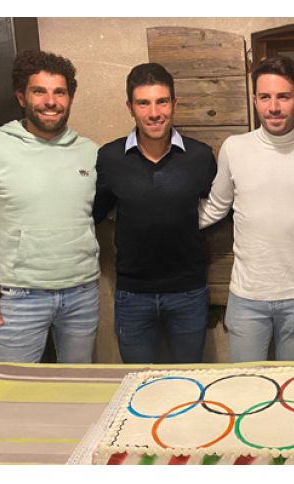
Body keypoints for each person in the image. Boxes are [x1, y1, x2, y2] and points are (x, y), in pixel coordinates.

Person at [0, 50, 100, 363]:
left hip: (82, 294)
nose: (51, 101)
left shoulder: (90, 152)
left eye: (59, 92)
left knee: (77, 384)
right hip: (21, 298)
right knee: (10, 386)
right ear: (21, 97)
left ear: (70, 98)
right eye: (39, 91)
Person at [199, 56, 294, 363]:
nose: (273, 107)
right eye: (265, 97)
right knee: (245, 383)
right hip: (247, 295)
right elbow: (215, 207)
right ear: (255, 99)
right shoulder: (235, 147)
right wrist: (162, 218)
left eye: (283, 97)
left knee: (292, 382)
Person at [93, 63, 216, 364]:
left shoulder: (200, 156)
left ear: (174, 104)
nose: (154, 113)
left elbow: (216, 208)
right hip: (133, 296)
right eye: (143, 103)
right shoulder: (110, 157)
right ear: (130, 107)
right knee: (138, 381)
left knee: (188, 381)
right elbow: (97, 211)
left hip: (189, 293)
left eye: (162, 102)